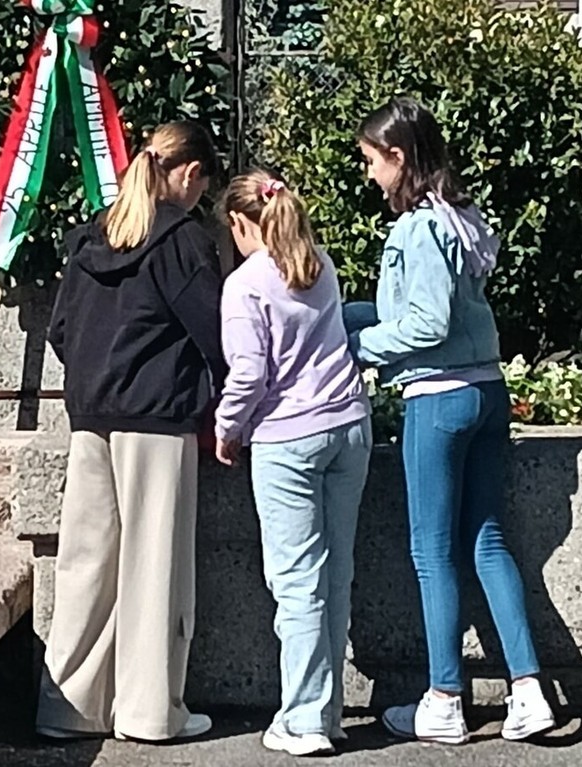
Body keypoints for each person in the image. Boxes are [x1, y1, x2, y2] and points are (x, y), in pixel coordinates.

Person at [349, 97, 556, 745]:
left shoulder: (416, 228)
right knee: (487, 541)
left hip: (438, 400)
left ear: (398, 157)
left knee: (431, 552)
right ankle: (529, 689)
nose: (369, 174)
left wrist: (356, 345)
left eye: (372, 161)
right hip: (487, 392)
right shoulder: (460, 216)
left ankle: (443, 698)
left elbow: (426, 324)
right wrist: (344, 313)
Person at [39, 121, 226, 743]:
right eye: (203, 185)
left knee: (85, 566)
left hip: (90, 416)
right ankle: (150, 713)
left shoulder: (93, 236)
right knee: (155, 564)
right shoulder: (182, 241)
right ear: (191, 173)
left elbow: (61, 331)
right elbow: (217, 332)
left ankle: (69, 707)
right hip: (157, 418)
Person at [215, 170, 372, 756]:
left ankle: (304, 718)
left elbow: (249, 373)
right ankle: (327, 712)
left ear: (239, 222)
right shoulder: (319, 264)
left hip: (287, 437)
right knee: (335, 574)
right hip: (348, 423)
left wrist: (227, 429)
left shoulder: (244, 285)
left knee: (297, 581)